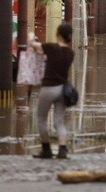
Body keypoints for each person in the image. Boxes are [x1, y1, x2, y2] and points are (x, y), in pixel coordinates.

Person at [30, 23, 75, 159]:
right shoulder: (70, 53)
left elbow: (34, 46)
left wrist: (31, 37)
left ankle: (46, 149)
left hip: (48, 88)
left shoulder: (51, 47)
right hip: (63, 90)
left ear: (58, 35)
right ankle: (62, 149)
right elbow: (53, 60)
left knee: (42, 119)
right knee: (59, 121)